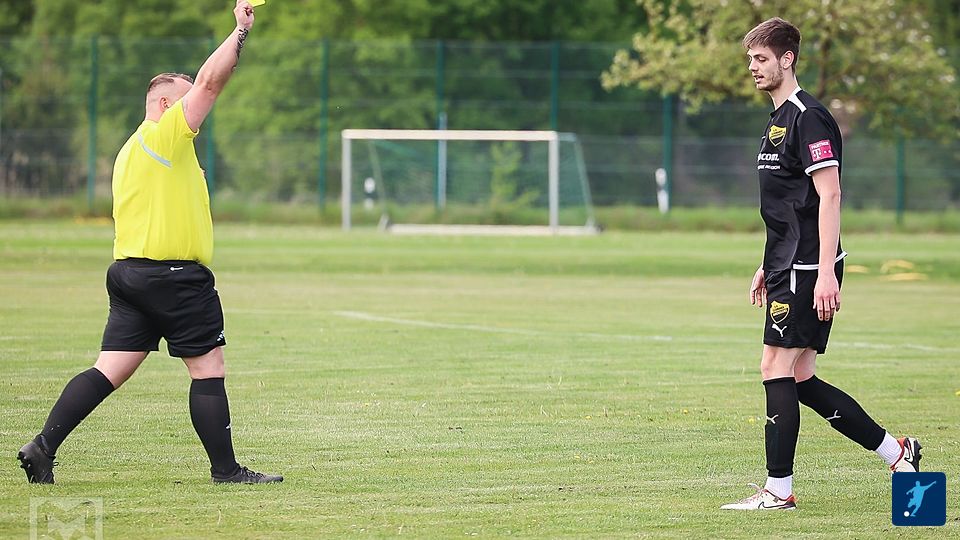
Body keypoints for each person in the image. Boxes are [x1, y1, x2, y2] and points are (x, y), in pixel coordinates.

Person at [17, 1, 281, 485]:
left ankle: (42, 446)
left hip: (130, 275)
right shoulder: (164, 138)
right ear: (164, 106)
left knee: (109, 370)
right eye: (184, 100)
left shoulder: (133, 148)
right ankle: (226, 471)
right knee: (208, 368)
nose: (194, 108)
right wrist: (240, 31)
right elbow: (210, 82)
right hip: (173, 277)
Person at [721, 17, 919, 510]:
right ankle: (897, 453)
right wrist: (767, 263)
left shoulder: (809, 117)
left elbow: (830, 196)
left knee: (775, 366)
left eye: (761, 59)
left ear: (787, 59)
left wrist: (826, 271)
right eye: (750, 60)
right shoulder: (777, 120)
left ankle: (778, 490)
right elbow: (787, 206)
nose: (753, 68)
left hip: (809, 268)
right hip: (787, 263)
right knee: (800, 377)